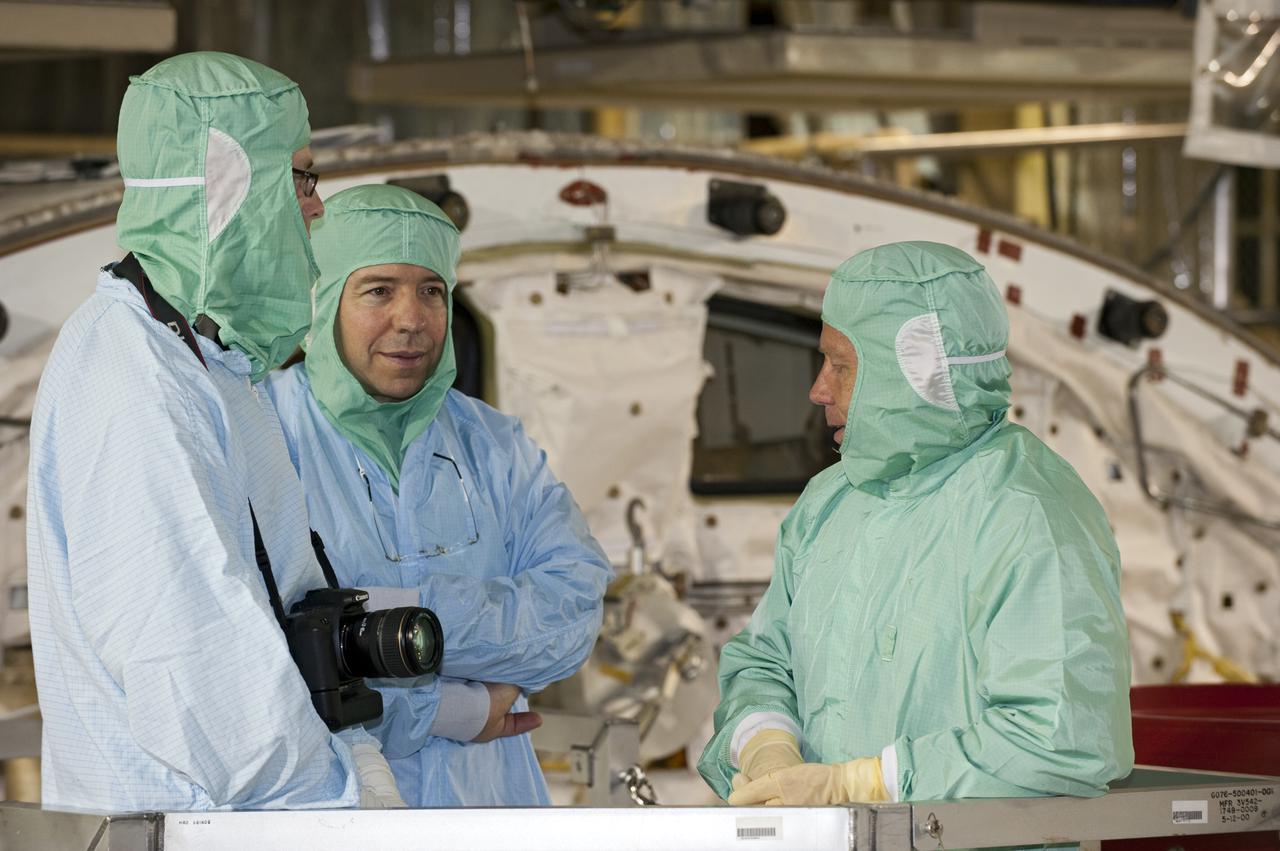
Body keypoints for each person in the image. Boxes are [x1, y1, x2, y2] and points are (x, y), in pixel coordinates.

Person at [27, 52, 402, 811]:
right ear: (235, 190)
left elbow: (297, 607)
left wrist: (359, 757)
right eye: (301, 178)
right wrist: (345, 811)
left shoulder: (219, 367)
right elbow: (200, 678)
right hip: (194, 825)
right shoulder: (132, 379)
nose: (317, 208)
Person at [698, 241, 1134, 805]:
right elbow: (764, 661)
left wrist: (866, 783)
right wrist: (765, 742)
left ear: (918, 372)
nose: (818, 389)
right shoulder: (831, 501)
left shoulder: (1026, 514)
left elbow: (1061, 739)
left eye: (843, 365)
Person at [265, 184, 613, 807]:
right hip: (331, 817)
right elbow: (262, 665)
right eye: (378, 290)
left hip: (490, 814)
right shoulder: (264, 435)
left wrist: (394, 615)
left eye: (431, 291)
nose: (411, 319)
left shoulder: (495, 445)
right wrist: (451, 707)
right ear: (322, 300)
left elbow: (573, 616)